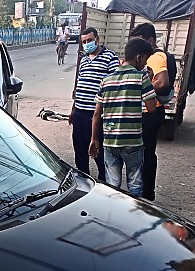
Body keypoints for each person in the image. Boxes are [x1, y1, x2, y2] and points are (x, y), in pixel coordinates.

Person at [89, 37, 156, 196]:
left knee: (112, 185)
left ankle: (114, 214)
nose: (145, 64)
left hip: (110, 141)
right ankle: (134, 216)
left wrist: (94, 139)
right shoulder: (141, 77)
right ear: (139, 57)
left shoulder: (106, 80)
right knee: (135, 184)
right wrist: (150, 79)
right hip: (132, 142)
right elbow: (152, 108)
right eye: (145, 59)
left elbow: (97, 113)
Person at [69, 27, 119, 181]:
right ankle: (84, 180)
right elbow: (79, 85)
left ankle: (104, 181)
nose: (87, 44)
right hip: (80, 113)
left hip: (97, 115)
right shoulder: (83, 60)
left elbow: (113, 86)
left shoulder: (110, 58)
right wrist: (73, 110)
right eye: (84, 42)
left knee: (99, 151)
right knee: (80, 150)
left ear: (97, 39)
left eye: (89, 40)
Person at [129, 23, 170, 201]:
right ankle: (143, 191)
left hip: (149, 113)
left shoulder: (156, 56)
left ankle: (146, 193)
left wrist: (137, 90)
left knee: (145, 153)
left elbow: (162, 82)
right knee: (141, 152)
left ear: (151, 41)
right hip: (145, 112)